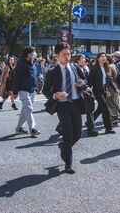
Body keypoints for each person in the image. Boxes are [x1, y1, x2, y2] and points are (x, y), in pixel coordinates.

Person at [43, 43, 85, 174]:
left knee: (78, 134)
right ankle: (68, 164)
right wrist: (55, 95)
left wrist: (82, 83)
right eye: (64, 55)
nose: (67, 57)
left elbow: (85, 80)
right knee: (68, 134)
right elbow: (45, 90)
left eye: (69, 54)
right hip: (62, 106)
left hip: (76, 103)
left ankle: (63, 147)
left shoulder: (75, 67)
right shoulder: (53, 72)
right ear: (57, 56)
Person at [13, 46, 40, 138]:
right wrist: (15, 91)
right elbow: (16, 77)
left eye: (34, 52)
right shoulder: (21, 63)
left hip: (32, 89)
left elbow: (34, 75)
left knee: (25, 109)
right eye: (32, 52)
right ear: (27, 54)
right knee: (28, 108)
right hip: (23, 89)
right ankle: (33, 128)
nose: (34, 54)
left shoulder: (33, 62)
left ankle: (19, 128)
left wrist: (36, 87)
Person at [88, 52, 116, 134]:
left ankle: (90, 121)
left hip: (104, 90)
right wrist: (88, 88)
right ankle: (109, 128)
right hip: (97, 90)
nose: (104, 58)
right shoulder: (94, 68)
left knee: (100, 108)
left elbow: (110, 80)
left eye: (105, 56)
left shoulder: (106, 68)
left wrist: (115, 89)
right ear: (98, 58)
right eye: (102, 56)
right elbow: (90, 80)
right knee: (105, 108)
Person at [74, 54, 98, 137]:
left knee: (90, 110)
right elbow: (79, 80)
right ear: (78, 61)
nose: (85, 60)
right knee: (76, 112)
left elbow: (88, 79)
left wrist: (90, 86)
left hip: (87, 92)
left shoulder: (85, 68)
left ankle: (91, 130)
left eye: (84, 58)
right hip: (80, 93)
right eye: (82, 58)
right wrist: (86, 86)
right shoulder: (76, 68)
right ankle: (61, 127)